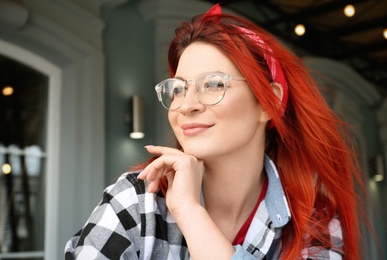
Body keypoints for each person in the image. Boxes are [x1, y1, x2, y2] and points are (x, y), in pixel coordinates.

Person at [65, 4, 366, 259]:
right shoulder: (138, 199)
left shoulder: (314, 220)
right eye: (179, 89)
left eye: (213, 84)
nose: (186, 105)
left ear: (269, 102)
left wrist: (190, 212)